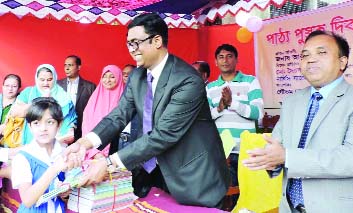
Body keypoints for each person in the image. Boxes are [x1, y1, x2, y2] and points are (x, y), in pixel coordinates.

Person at [65, 12, 230, 208]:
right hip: (151, 174)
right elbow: (119, 115)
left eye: (136, 43)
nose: (131, 50)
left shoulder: (188, 80)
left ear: (157, 40)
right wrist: (85, 143)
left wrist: (109, 164)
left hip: (193, 176)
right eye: (129, 44)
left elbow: (164, 134)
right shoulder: (137, 76)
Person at [243, 30, 353, 213]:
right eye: (305, 55)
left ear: (342, 62)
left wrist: (286, 156)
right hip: (291, 208)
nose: (310, 59)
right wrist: (270, 160)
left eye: (321, 52)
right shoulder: (291, 102)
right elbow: (277, 146)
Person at [206, 43, 264, 209]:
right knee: (222, 196)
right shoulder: (210, 88)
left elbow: (258, 114)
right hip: (221, 151)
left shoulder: (250, 82)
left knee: (245, 196)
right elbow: (205, 119)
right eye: (221, 57)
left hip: (245, 150)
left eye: (229, 56)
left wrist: (233, 103)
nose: (225, 60)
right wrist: (219, 108)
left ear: (236, 60)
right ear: (216, 62)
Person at [11, 97, 68, 212]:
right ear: (30, 126)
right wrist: (54, 169)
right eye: (37, 123)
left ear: (59, 124)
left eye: (50, 122)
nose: (43, 128)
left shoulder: (64, 151)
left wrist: (65, 194)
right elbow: (27, 200)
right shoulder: (23, 157)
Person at [11, 64, 77, 145]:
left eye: (49, 79)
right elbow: (15, 112)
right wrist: (41, 100)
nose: (46, 83)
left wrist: (53, 144)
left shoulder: (64, 97)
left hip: (56, 145)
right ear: (36, 79)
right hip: (29, 143)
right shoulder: (28, 92)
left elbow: (69, 130)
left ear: (55, 78)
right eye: (42, 80)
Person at [81, 65, 125, 156]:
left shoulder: (126, 99)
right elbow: (86, 124)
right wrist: (92, 150)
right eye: (104, 76)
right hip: (93, 149)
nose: (107, 80)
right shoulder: (95, 98)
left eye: (112, 77)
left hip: (118, 148)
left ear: (119, 77)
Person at [58, 55, 96, 141]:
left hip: (81, 127)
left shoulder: (90, 87)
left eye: (70, 65)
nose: (67, 68)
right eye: (65, 65)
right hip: (61, 127)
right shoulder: (57, 85)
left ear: (79, 67)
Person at [0, 74, 22, 178]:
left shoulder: (21, 104)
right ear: (2, 86)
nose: (10, 89)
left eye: (14, 86)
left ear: (19, 88)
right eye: (7, 85)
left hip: (9, 145)